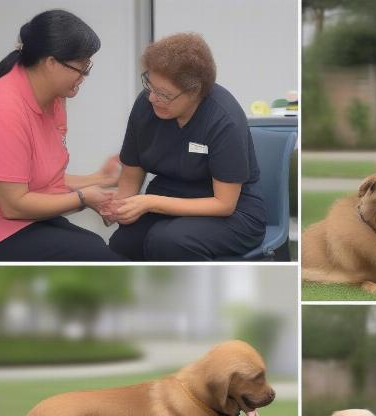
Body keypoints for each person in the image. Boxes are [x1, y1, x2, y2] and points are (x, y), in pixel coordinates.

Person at [0, 9, 122, 261]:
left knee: (95, 246)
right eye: (81, 68)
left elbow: (40, 180)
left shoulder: (53, 99)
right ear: (51, 62)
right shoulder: (2, 110)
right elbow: (14, 205)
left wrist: (99, 179)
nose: (84, 77)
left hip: (20, 220)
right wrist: (84, 198)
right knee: (96, 255)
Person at [106, 33, 266, 261]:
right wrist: (119, 208)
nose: (152, 98)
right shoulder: (146, 105)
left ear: (195, 92)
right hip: (168, 200)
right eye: (149, 85)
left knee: (168, 242)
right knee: (123, 243)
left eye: (164, 94)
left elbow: (224, 204)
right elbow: (132, 173)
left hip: (232, 213)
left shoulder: (223, 119)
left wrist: (149, 202)